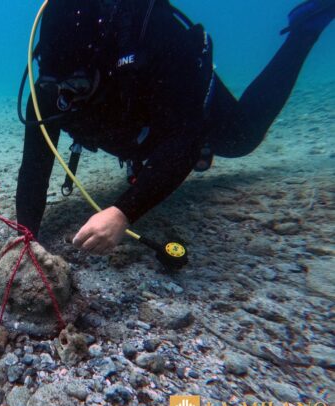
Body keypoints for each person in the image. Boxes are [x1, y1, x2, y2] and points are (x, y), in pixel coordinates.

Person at [16, 0, 334, 254]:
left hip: (184, 104)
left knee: (241, 139)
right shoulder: (53, 87)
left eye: (76, 86)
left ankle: (304, 30)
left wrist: (122, 212)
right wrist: (25, 234)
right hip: (136, 130)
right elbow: (34, 166)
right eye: (53, 86)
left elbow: (186, 141)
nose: (65, 99)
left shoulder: (156, 40)